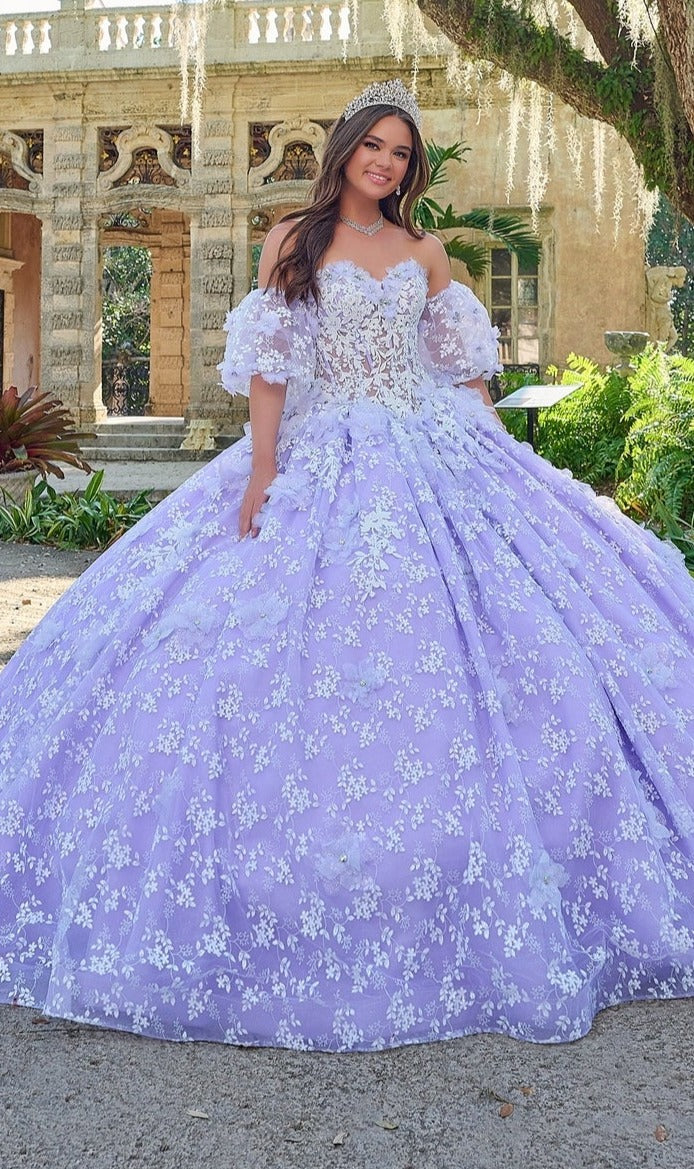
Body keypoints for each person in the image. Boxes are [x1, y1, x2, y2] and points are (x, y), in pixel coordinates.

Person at [0, 80, 693, 1053]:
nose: (387, 164)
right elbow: (277, 363)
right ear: (345, 152)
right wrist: (262, 472)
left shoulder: (424, 252)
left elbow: (460, 372)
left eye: (402, 155)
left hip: (431, 442)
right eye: (374, 146)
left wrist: (502, 465)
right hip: (321, 449)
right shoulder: (292, 239)